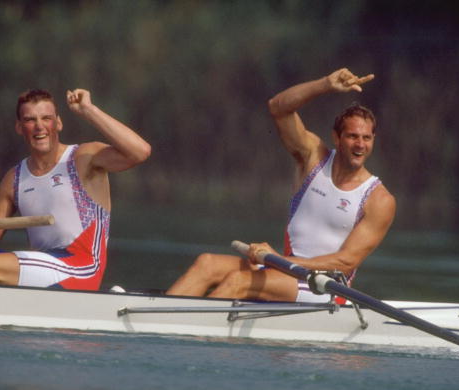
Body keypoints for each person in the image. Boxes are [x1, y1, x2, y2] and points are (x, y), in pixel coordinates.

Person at [166, 68, 395, 302]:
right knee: (207, 264)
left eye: (366, 138)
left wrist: (277, 259)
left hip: (325, 288)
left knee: (239, 281)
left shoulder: (379, 199)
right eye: (352, 136)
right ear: (336, 137)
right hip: (285, 272)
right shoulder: (312, 157)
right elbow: (278, 107)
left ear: (373, 141)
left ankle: (191, 328)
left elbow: (345, 263)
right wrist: (325, 84)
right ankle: (153, 324)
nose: (360, 145)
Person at [0, 88, 151, 290]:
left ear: (58, 123)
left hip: (81, 268)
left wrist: (88, 110)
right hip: (42, 265)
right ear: (20, 127)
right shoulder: (14, 179)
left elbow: (140, 152)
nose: (39, 127)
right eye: (30, 120)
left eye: (46, 118)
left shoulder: (84, 158)